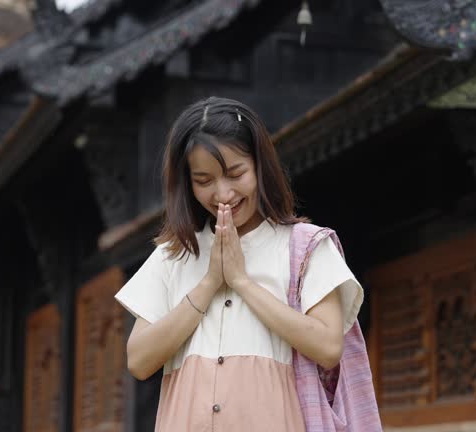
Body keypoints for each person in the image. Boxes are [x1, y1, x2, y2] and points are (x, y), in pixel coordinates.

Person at [114, 97, 364, 431]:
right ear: (186, 184)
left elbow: (328, 347)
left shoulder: (304, 246)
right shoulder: (173, 254)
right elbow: (140, 361)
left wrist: (242, 282)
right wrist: (209, 284)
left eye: (235, 174)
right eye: (204, 180)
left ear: (261, 167)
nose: (222, 193)